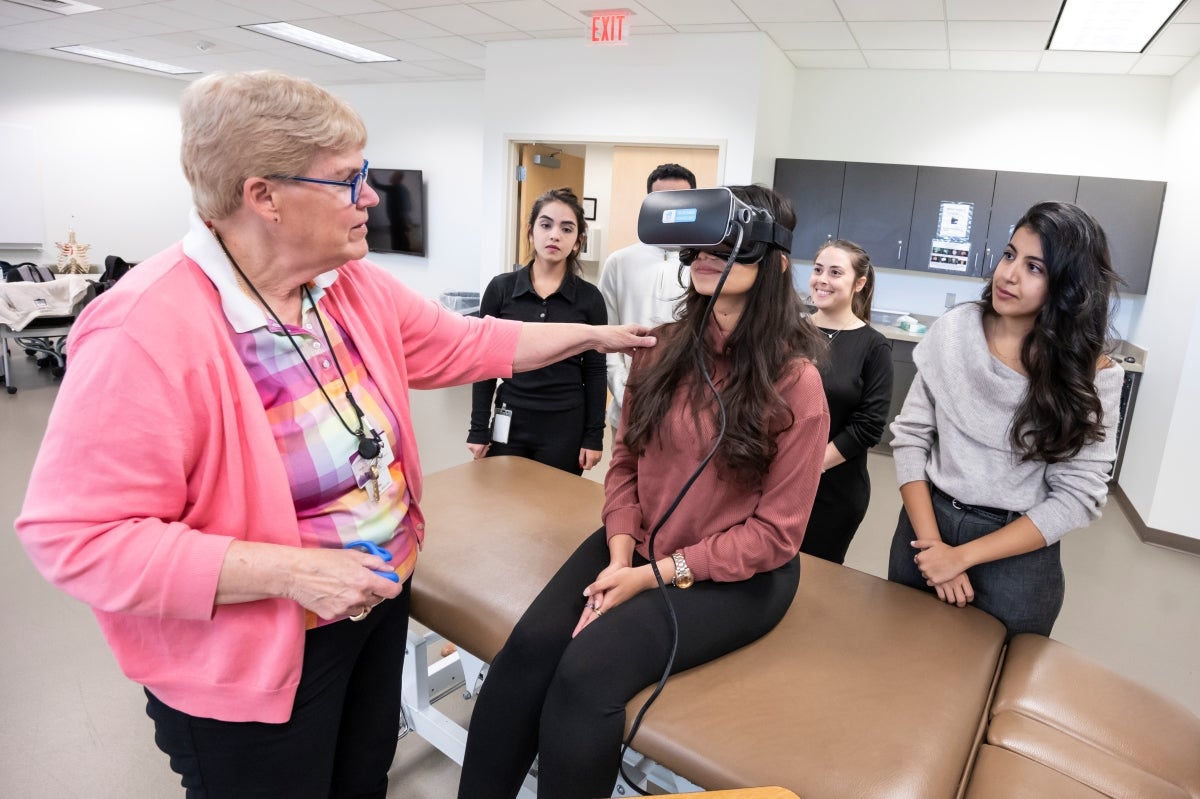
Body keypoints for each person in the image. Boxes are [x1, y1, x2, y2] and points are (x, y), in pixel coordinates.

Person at [13, 70, 653, 799]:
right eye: (350, 179)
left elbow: (463, 343)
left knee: (359, 780)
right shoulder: (145, 329)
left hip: (374, 606)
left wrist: (596, 336)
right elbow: (75, 535)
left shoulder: (345, 285)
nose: (371, 197)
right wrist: (289, 571)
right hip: (257, 651)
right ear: (265, 196)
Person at [456, 185, 829, 799]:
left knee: (585, 675)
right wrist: (623, 553)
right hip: (638, 543)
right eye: (701, 241)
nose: (707, 252)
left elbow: (776, 535)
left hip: (737, 575)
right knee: (525, 655)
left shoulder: (797, 384)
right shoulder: (660, 349)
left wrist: (652, 576)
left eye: (727, 240)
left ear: (775, 260)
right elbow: (625, 459)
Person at [887, 201, 1123, 638]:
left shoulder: (1093, 375)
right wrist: (935, 547)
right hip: (924, 529)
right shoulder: (954, 330)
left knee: (997, 687)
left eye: (1035, 268)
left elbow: (1077, 498)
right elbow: (911, 438)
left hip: (1018, 553)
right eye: (1010, 254)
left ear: (1068, 287)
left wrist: (961, 557)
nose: (1009, 274)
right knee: (903, 664)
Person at [466, 188, 607, 475]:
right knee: (504, 504)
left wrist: (594, 436)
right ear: (531, 231)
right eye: (546, 225)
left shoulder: (590, 299)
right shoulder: (501, 289)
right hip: (511, 417)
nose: (554, 235)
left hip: (565, 424)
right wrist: (478, 428)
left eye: (566, 229)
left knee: (555, 511)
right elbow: (484, 363)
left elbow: (595, 371)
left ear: (578, 240)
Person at [801, 240, 894, 564]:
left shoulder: (873, 347)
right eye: (818, 270)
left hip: (833, 493)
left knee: (813, 581)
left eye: (835, 272)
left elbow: (868, 426)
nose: (822, 279)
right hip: (773, 482)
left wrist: (808, 468)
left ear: (859, 283)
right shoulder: (788, 332)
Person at [598, 162, 697, 436]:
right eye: (663, 201)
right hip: (629, 405)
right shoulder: (620, 262)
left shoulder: (706, 265)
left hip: (690, 411)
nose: (672, 211)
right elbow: (607, 335)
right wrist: (624, 393)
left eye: (681, 201)